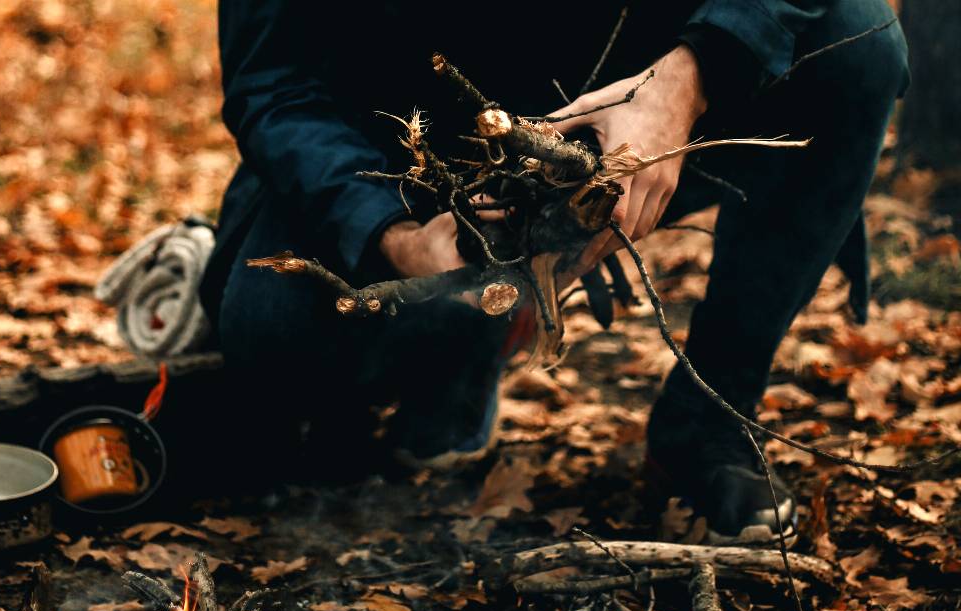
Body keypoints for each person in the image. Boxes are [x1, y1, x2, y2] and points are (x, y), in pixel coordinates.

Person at [196, 0, 908, 541]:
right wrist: (398, 238)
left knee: (859, 42)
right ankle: (467, 339)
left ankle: (710, 423)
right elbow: (274, 82)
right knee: (274, 331)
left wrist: (688, 80)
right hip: (400, 149)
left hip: (637, 91)